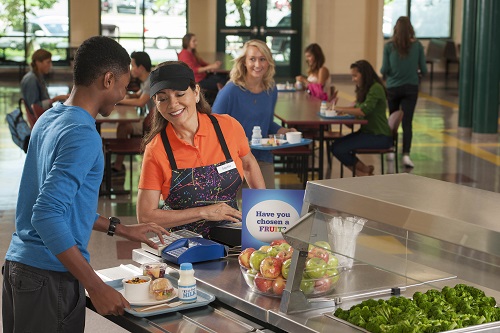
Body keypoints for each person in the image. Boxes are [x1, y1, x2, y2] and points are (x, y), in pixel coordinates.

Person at [2, 36, 168, 333]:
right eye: (123, 86)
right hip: (50, 278)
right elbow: (47, 214)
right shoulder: (83, 134)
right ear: (108, 79)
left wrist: (122, 229)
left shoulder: (49, 118)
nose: (122, 95)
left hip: (20, 269)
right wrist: (95, 285)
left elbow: (61, 206)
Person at [137, 61, 265, 237]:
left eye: (180, 94)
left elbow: (249, 164)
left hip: (233, 239)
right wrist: (203, 212)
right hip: (182, 247)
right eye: (163, 98)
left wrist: (263, 211)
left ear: (196, 93)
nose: (173, 104)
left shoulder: (228, 126)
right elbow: (145, 216)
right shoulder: (157, 149)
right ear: (156, 103)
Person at [212, 39, 296, 189]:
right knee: (231, 211)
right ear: (244, 62)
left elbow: (266, 122)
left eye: (262, 59)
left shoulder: (271, 90)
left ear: (268, 62)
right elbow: (212, 126)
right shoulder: (231, 90)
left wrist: (285, 131)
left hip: (262, 158)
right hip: (232, 160)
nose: (258, 65)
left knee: (266, 207)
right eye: (252, 59)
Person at [331, 60, 393, 176]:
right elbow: (357, 107)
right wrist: (343, 111)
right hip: (367, 132)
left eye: (355, 75)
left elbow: (363, 111)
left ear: (364, 74)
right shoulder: (365, 89)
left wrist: (339, 109)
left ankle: (362, 175)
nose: (353, 79)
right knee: (335, 146)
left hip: (379, 136)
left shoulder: (375, 88)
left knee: (339, 149)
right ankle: (364, 170)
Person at [380, 16, 427, 168]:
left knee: (392, 121)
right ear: (411, 29)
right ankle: (406, 155)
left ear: (395, 29)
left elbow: (384, 69)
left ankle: (391, 150)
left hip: (393, 88)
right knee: (407, 122)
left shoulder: (389, 47)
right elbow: (424, 69)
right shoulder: (418, 46)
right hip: (411, 88)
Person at [113, 51, 154, 175]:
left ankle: (117, 166)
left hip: (151, 124)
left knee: (123, 127)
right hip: (147, 119)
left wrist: (119, 101)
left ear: (140, 68)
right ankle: (117, 165)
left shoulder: (151, 81)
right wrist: (123, 96)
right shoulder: (147, 79)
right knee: (123, 125)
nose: (131, 69)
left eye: (132, 65)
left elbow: (140, 102)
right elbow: (137, 95)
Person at [20, 49, 69, 114]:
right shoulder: (31, 80)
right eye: (48, 62)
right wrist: (54, 100)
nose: (51, 65)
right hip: (41, 119)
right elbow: (34, 107)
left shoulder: (37, 77)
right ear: (38, 62)